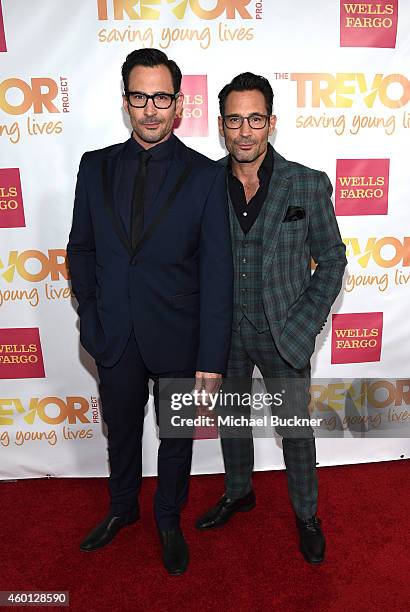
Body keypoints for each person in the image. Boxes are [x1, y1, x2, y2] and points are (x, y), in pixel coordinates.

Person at [66, 48, 233, 575]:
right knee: (120, 430)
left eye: (161, 97)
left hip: (180, 334)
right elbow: (81, 249)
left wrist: (212, 356)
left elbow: (217, 271)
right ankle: (122, 510)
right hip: (112, 332)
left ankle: (167, 517)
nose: (151, 109)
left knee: (176, 435)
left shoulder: (207, 176)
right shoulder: (94, 167)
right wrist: (90, 319)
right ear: (125, 102)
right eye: (140, 97)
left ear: (178, 104)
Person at [195, 73, 347, 564]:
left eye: (255, 119)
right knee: (232, 422)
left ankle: (306, 514)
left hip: (285, 333)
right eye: (235, 120)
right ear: (221, 126)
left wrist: (305, 326)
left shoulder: (307, 182)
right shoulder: (204, 185)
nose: (245, 131)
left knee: (295, 430)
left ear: (271, 123)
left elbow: (333, 259)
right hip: (225, 333)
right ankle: (239, 492)